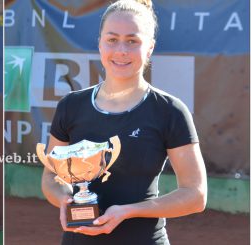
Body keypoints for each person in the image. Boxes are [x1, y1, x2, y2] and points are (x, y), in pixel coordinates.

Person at [41, 0, 207, 244]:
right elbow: (51, 178)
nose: (121, 50)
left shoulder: (170, 111)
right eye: (112, 39)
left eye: (132, 41)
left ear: (149, 48)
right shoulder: (71, 106)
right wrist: (67, 200)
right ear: (99, 43)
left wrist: (129, 211)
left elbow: (196, 195)